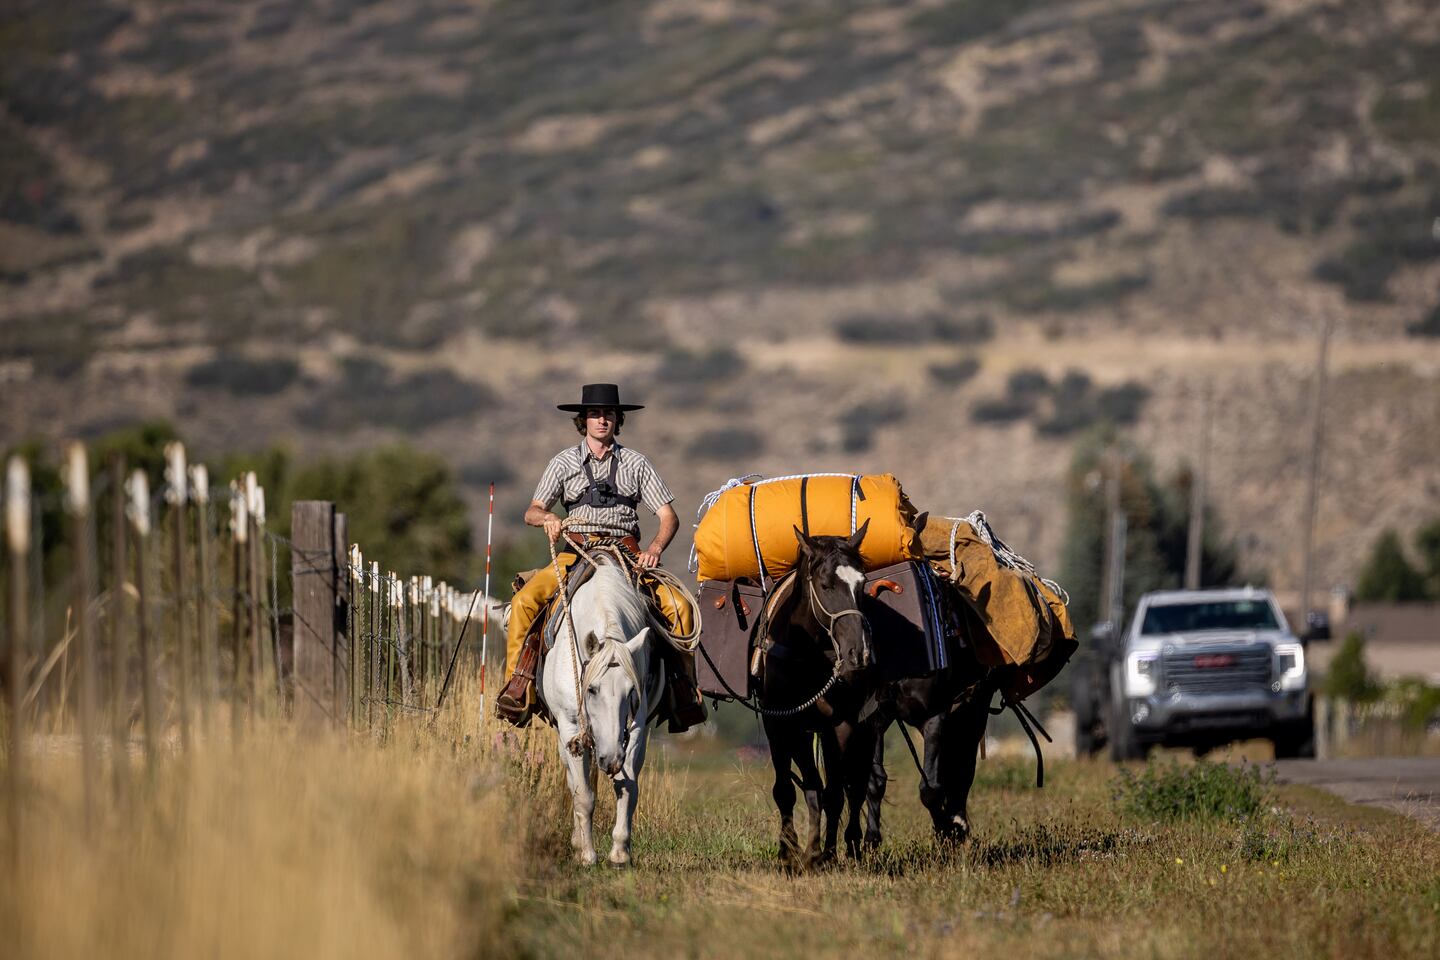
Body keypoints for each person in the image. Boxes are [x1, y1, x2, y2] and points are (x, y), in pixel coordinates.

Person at [494, 383, 707, 731]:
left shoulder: (637, 464)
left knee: (679, 607)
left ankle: (683, 692)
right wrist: (548, 518)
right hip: (575, 552)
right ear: (584, 420)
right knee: (524, 602)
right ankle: (518, 687)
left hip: (628, 554)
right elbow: (531, 511)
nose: (602, 420)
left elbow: (669, 516)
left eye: (609, 414)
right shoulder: (562, 463)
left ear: (618, 419)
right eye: (595, 414)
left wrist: (653, 550)